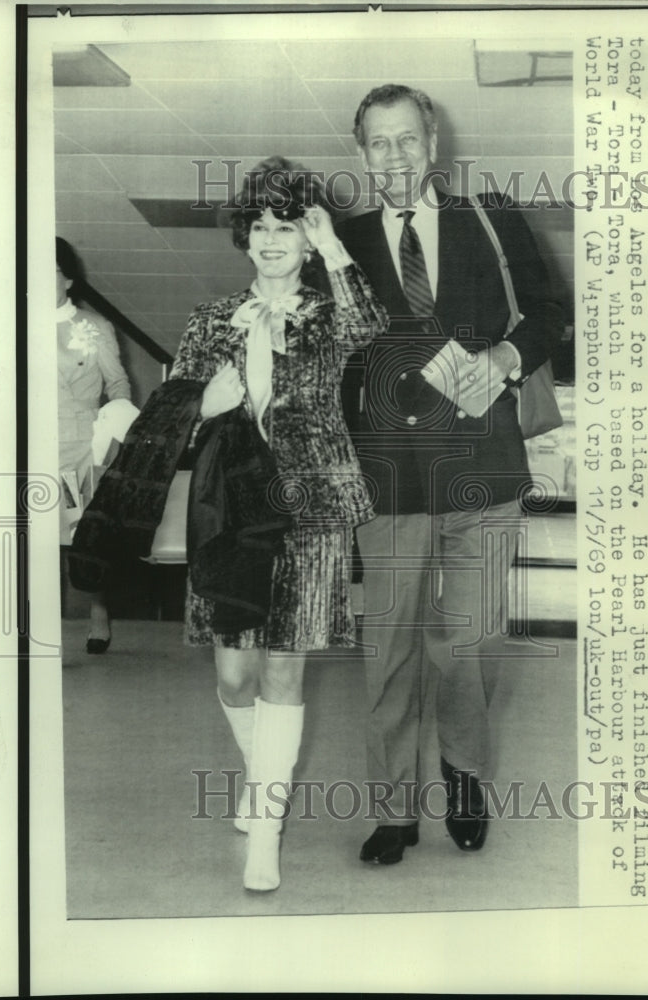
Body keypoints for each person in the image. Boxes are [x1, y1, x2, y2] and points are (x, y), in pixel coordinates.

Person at [338, 84, 565, 864]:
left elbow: (546, 310)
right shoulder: (341, 241)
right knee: (390, 646)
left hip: (482, 471)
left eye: (407, 140)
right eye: (378, 142)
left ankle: (463, 775)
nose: (394, 156)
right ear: (359, 153)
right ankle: (393, 810)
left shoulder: (491, 221)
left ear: (432, 144)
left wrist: (505, 357)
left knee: (466, 641)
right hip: (388, 478)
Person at [168, 157, 387, 892]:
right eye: (259, 226)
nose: (269, 239)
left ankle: (265, 830)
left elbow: (374, 323)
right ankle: (260, 774)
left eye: (285, 226)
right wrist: (204, 406)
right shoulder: (209, 320)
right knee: (234, 675)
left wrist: (332, 245)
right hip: (231, 510)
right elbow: (167, 414)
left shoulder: (328, 316)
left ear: (303, 235)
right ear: (244, 235)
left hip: (313, 511)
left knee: (284, 667)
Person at [56, 236, 132, 654]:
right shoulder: (13, 322)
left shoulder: (93, 327)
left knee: (81, 534)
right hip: (28, 446)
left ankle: (98, 611)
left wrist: (115, 422)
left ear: (67, 279)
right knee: (22, 535)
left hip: (78, 449)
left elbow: (118, 382)